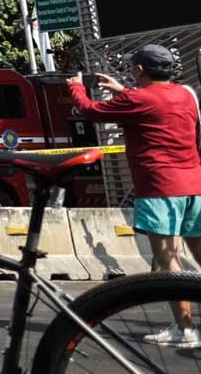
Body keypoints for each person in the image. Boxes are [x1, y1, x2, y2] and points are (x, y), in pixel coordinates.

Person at [67, 44, 201, 348]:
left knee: (169, 261)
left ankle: (186, 329)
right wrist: (122, 89)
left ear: (139, 70)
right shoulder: (186, 94)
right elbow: (153, 107)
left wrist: (75, 87)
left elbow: (90, 111)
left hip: (159, 187)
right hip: (195, 183)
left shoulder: (136, 99)